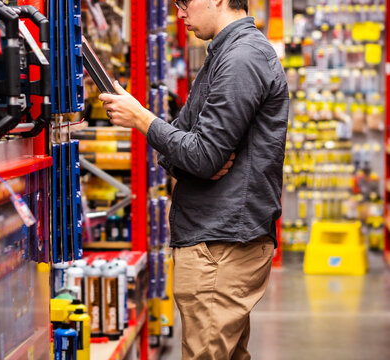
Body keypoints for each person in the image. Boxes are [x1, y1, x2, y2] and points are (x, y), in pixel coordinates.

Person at [98, 0, 289, 358]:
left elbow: (201, 154)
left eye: (184, 3)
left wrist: (142, 119)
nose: (179, 14)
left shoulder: (241, 59)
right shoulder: (222, 54)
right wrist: (188, 154)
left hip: (221, 245)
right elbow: (181, 145)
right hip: (215, 240)